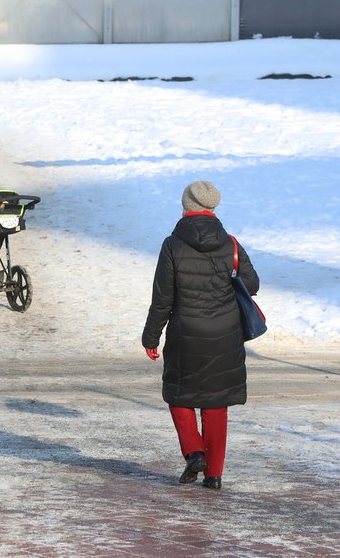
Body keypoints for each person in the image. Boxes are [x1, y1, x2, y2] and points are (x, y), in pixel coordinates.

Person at [141, 180, 259, 490]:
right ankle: (214, 475)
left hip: (185, 332)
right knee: (216, 404)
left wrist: (151, 337)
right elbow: (253, 284)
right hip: (225, 333)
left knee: (178, 394)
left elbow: (162, 298)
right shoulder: (230, 243)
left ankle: (194, 452)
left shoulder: (172, 245)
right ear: (213, 208)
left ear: (186, 207)